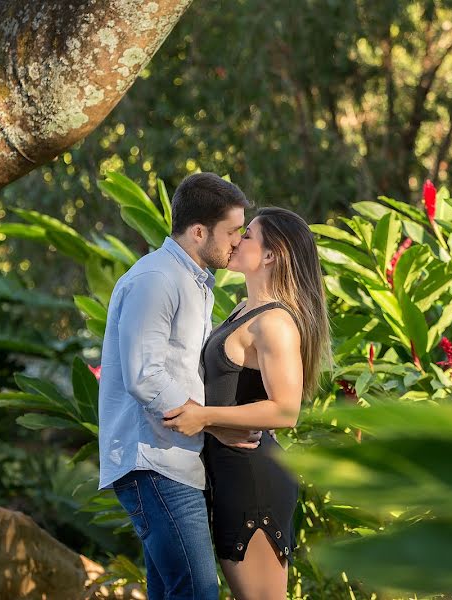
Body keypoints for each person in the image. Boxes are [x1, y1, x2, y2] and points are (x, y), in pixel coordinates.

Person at [97, 172, 259, 600]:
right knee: (198, 591)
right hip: (152, 462)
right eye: (231, 232)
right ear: (199, 231)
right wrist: (212, 423)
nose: (238, 243)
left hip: (174, 461)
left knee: (172, 593)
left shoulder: (193, 283)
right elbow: (144, 375)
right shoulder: (157, 280)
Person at [163, 207, 331, 600]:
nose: (237, 239)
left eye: (249, 235)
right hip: (231, 474)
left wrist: (205, 417)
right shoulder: (244, 309)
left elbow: (286, 410)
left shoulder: (273, 322)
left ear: (271, 255)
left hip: (252, 479)